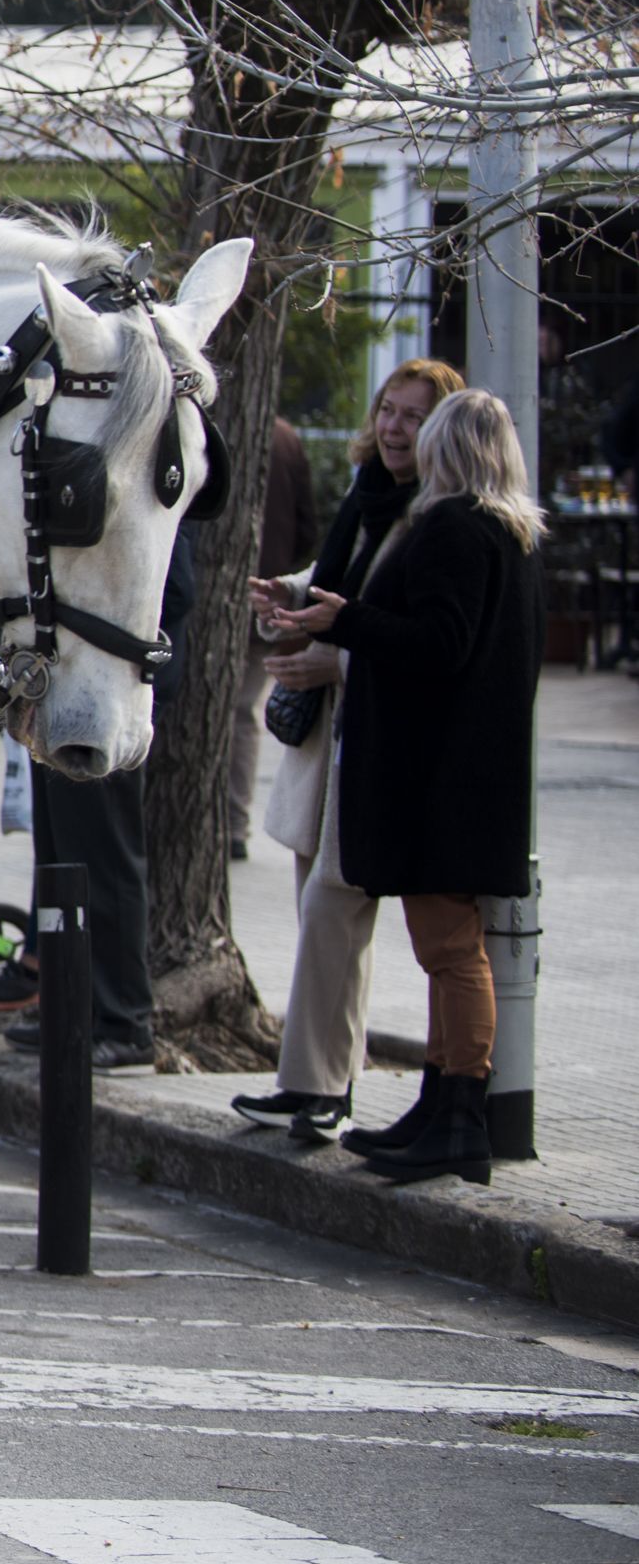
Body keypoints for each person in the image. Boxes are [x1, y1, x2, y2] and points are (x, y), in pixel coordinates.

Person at [259, 387, 544, 1185]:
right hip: (471, 775)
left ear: (447, 450)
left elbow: (439, 643)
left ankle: (459, 1112)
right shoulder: (511, 531)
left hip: (443, 778)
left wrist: (344, 621)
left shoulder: (454, 526)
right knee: (446, 946)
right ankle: (438, 1100)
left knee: (451, 950)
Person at [230, 359, 458, 1138]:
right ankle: (326, 1079)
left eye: (413, 416)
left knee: (333, 904)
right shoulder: (367, 492)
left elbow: (421, 634)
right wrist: (292, 598)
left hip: (374, 736)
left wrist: (339, 655)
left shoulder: (437, 514)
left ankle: (314, 1085)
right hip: (324, 731)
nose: (394, 428)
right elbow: (345, 584)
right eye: (387, 411)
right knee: (316, 905)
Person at [5, 520, 201, 1074]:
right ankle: (70, 1007)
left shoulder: (150, 509)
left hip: (109, 701)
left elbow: (174, 590)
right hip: (68, 694)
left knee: (105, 862)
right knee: (61, 859)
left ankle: (124, 1022)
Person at [229, 413, 318, 855]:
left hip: (244, 596)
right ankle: (234, 822)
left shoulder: (222, 426)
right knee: (242, 714)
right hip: (267, 594)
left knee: (231, 712)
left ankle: (225, 824)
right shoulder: (288, 437)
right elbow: (308, 529)